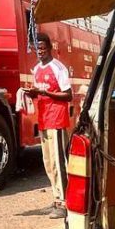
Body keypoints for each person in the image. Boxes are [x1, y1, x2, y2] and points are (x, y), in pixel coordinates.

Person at [25, 33, 72, 219]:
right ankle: (56, 198)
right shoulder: (37, 69)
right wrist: (32, 93)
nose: (40, 52)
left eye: (43, 48)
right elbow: (40, 93)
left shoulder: (58, 68)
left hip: (57, 120)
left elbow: (68, 95)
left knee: (59, 162)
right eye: (38, 49)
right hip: (44, 120)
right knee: (48, 163)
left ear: (50, 48)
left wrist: (45, 92)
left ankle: (65, 203)